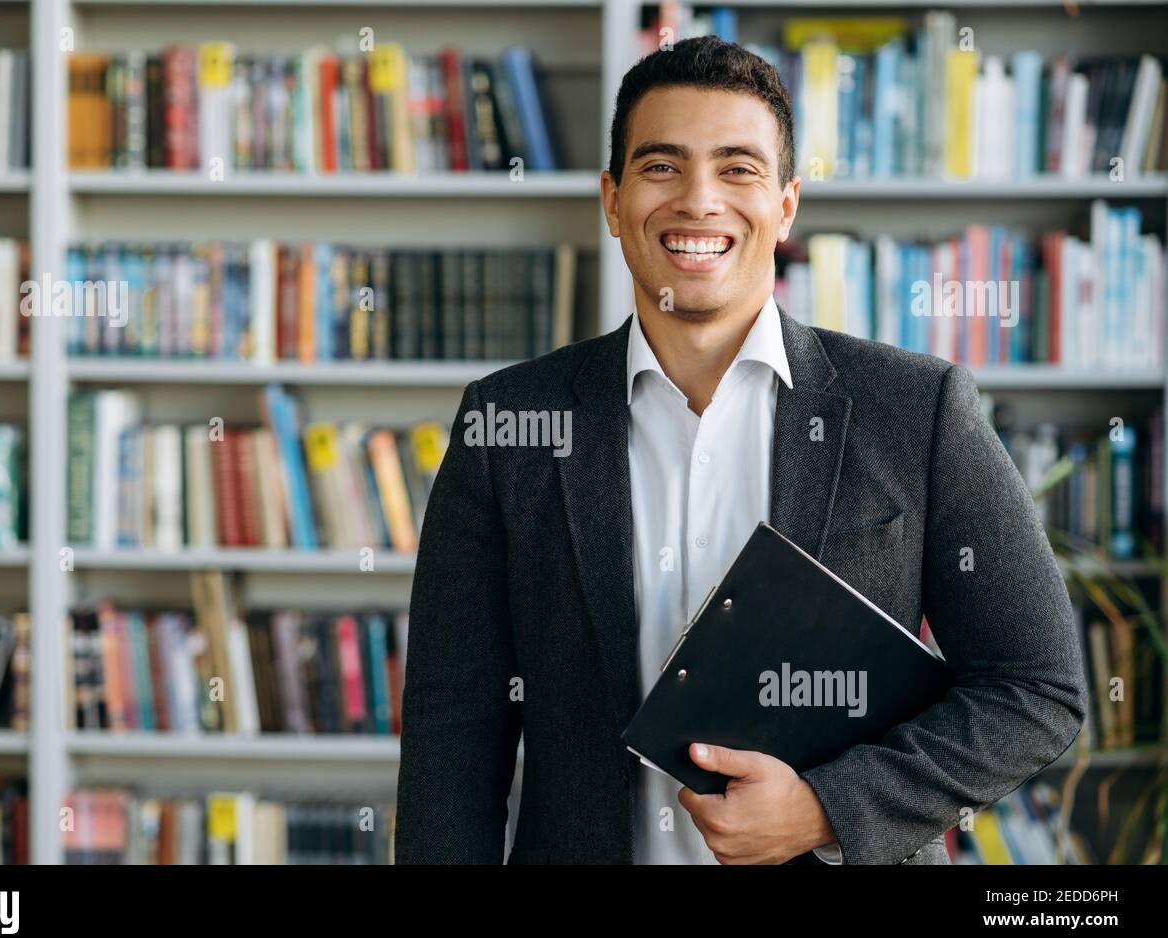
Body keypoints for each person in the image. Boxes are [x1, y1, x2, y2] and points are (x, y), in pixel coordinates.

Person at [394, 36, 1086, 864]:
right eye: (660, 167)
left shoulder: (917, 408)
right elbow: (450, 736)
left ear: (786, 203)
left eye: (737, 168)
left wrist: (829, 808)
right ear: (611, 199)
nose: (698, 200)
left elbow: (1035, 686)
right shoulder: (506, 424)